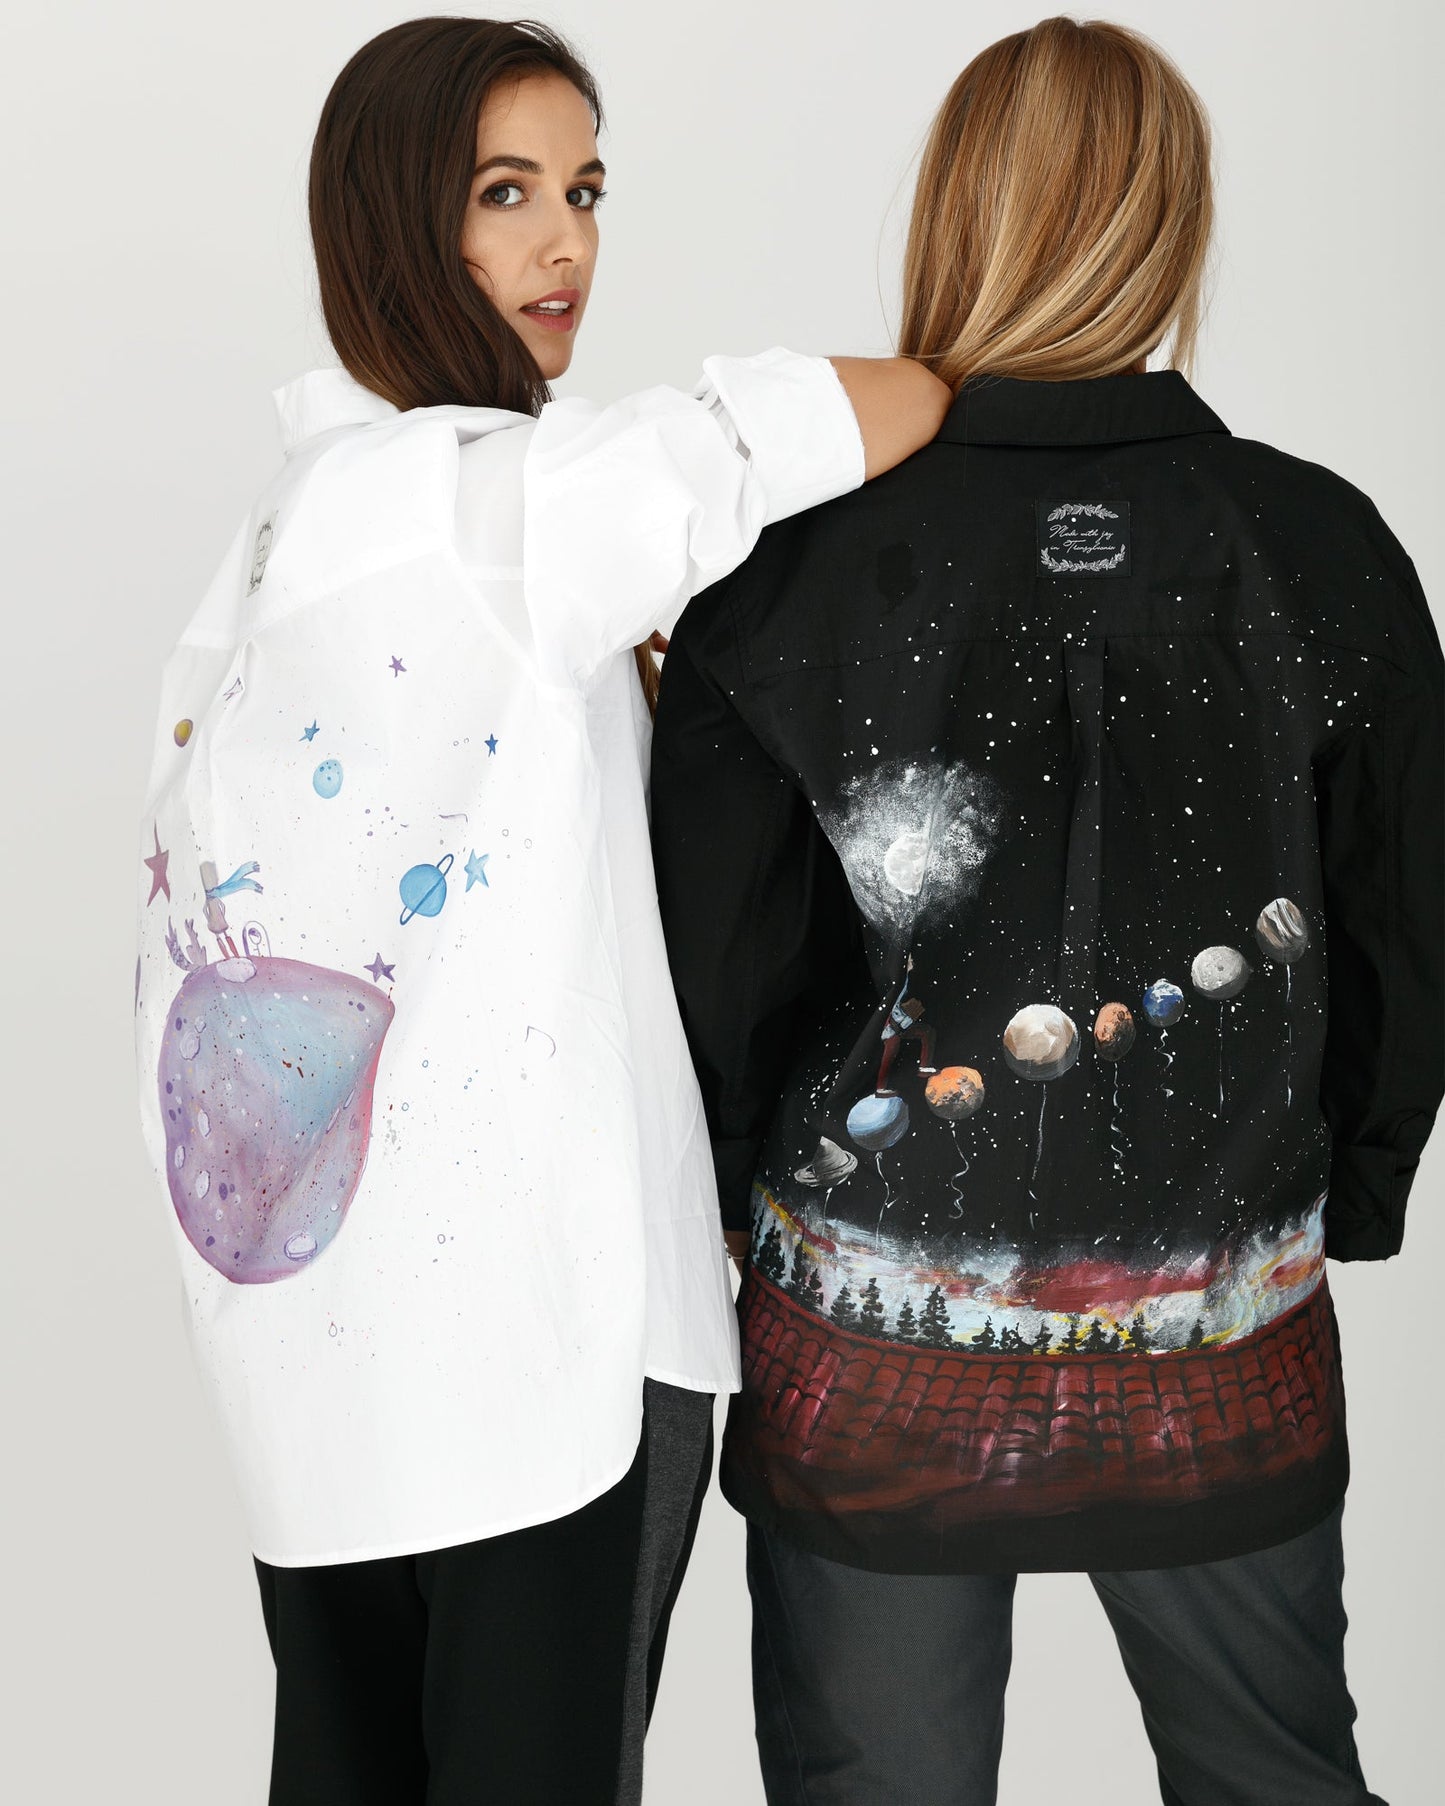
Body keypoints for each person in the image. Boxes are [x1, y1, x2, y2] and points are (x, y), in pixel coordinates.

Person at [133, 18, 949, 1806]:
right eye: (503, 193)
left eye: (583, 190)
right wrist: (1014, 351)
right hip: (537, 1353)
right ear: (390, 218)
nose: (564, 242)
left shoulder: (276, 539)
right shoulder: (503, 502)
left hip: (316, 1370)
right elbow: (854, 410)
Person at [651, 17, 1442, 1804]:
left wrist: (721, 1202)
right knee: (1275, 1776)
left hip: (856, 1336)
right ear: (1171, 222)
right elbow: (1405, 917)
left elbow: (721, 966)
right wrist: (1358, 1180)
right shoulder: (1322, 546)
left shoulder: (786, 565)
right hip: (1227, 1318)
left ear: (956, 213)